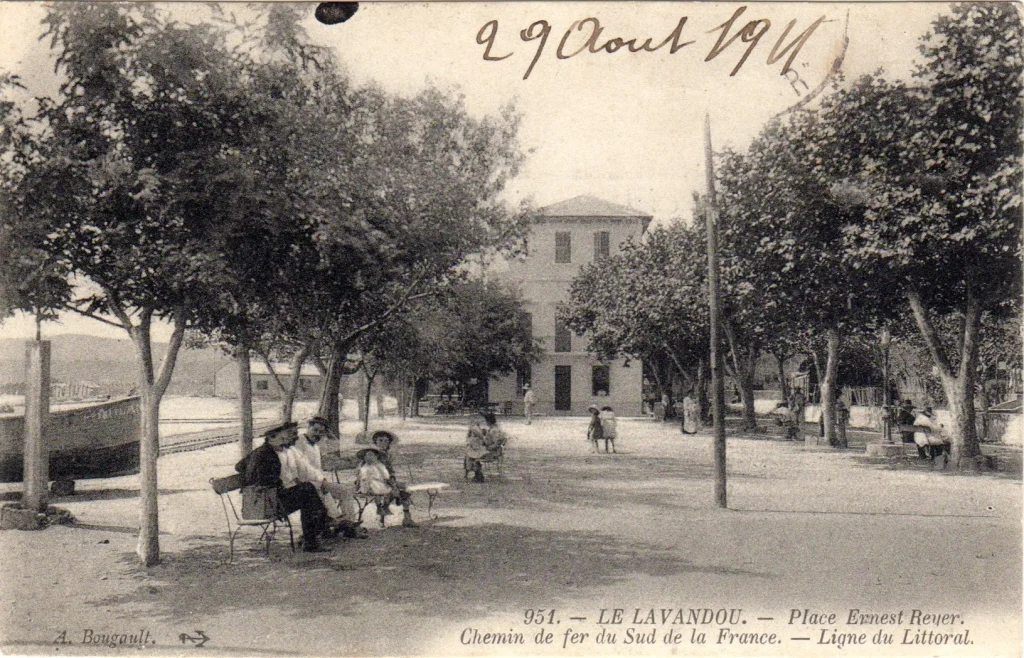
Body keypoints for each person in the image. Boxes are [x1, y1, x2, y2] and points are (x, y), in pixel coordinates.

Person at [235, 423, 331, 553]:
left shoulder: (281, 451)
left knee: (308, 493)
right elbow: (245, 470)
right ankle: (317, 533)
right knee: (307, 491)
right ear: (271, 438)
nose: (286, 439)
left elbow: (240, 467)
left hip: (277, 497)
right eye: (282, 437)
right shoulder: (263, 453)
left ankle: (315, 535)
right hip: (267, 503)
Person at [293, 417, 367, 539]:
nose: (317, 434)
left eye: (321, 432)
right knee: (323, 493)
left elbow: (318, 467)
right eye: (315, 430)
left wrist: (323, 480)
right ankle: (338, 522)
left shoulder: (316, 446)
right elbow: (298, 467)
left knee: (345, 491)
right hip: (303, 483)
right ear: (308, 427)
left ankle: (348, 525)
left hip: (317, 481)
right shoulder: (299, 442)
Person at [359, 430, 418, 527]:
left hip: (386, 481)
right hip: (372, 483)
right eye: (380, 440)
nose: (383, 443)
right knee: (391, 490)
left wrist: (393, 481)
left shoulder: (386, 456)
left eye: (386, 441)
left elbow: (389, 472)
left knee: (407, 488)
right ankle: (382, 516)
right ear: (375, 442)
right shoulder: (371, 454)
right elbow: (364, 471)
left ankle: (406, 517)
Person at [465, 412, 508, 480]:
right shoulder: (495, 428)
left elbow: (497, 443)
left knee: (471, 454)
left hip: (493, 452)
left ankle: (477, 474)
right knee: (471, 452)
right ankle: (474, 472)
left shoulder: (494, 430)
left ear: (488, 421)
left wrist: (487, 447)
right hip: (493, 450)